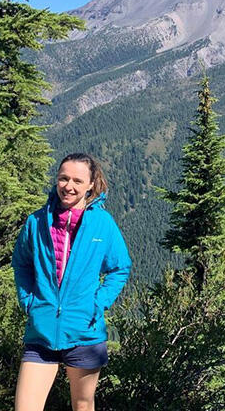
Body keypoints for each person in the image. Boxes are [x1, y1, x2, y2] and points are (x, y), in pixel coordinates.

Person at [12, 153, 131, 411]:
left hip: (84, 332)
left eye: (78, 180)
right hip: (41, 331)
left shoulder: (102, 224)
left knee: (82, 405)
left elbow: (120, 268)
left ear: (91, 185)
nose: (69, 186)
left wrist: (97, 303)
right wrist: (28, 300)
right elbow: (20, 263)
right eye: (63, 178)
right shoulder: (37, 221)